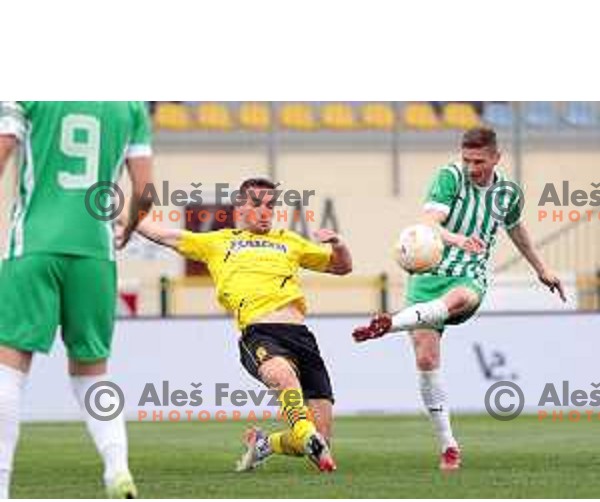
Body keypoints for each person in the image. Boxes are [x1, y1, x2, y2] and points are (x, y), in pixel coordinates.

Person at [353, 127, 565, 471]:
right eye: (466, 159)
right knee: (425, 359)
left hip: (470, 273)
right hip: (429, 275)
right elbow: (428, 222)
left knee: (461, 298)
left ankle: (391, 323)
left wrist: (541, 268)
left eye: (479, 161)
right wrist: (457, 239)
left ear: (497, 157)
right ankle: (449, 445)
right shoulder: (450, 177)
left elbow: (515, 228)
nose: (471, 167)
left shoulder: (507, 192)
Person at [128, 177, 352, 472]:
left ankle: (265, 445)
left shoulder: (289, 241)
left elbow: (342, 267)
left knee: (321, 442)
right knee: (282, 376)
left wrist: (339, 244)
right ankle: (305, 432)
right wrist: (124, 214)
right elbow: (163, 235)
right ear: (240, 207)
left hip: (301, 336)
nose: (264, 211)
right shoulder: (218, 242)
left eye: (270, 205)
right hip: (261, 333)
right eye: (256, 204)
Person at [0, 101, 153, 498]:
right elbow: (145, 192)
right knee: (92, 371)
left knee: (9, 367)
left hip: (33, 246)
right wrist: (131, 224)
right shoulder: (130, 105)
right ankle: (117, 468)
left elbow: (4, 147)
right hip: (95, 253)